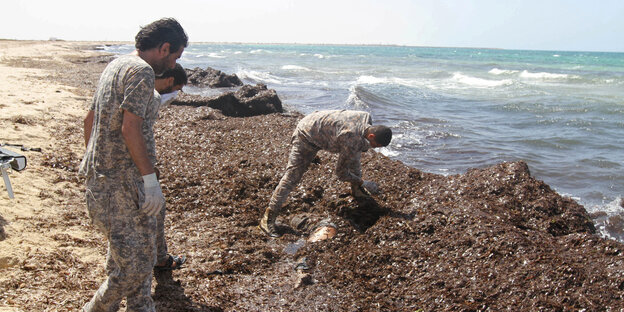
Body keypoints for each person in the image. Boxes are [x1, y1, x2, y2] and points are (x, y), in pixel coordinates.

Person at [79, 18, 187, 312]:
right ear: (164, 48)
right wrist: (150, 181)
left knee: (130, 255)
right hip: (119, 186)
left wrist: (95, 159)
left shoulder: (116, 65)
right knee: (135, 267)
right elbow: (130, 128)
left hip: (107, 180)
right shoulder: (141, 72)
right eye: (175, 56)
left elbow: (90, 119)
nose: (173, 63)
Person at [259, 109, 392, 237]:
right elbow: (340, 173)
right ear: (371, 135)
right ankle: (268, 218)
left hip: (316, 122)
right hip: (305, 136)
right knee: (292, 177)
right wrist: (364, 182)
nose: (374, 148)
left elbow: (355, 150)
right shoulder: (351, 137)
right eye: (376, 145)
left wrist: (358, 177)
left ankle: (357, 189)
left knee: (355, 155)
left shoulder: (366, 117)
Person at [148, 63, 188, 271]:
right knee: (157, 207)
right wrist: (147, 171)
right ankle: (159, 259)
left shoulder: (136, 89)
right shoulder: (148, 97)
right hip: (134, 167)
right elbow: (132, 132)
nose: (175, 95)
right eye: (177, 89)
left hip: (127, 166)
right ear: (171, 81)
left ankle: (157, 257)